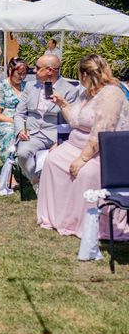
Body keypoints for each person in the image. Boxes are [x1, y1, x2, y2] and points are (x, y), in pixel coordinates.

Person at [37, 54, 129, 239]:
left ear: (86, 75)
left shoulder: (112, 93)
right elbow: (75, 119)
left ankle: (89, 223)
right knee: (52, 160)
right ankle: (58, 218)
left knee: (85, 172)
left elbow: (102, 131)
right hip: (75, 144)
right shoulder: (86, 93)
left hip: (103, 152)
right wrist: (63, 103)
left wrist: (82, 159)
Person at [13, 54, 80, 192]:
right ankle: (36, 181)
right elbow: (19, 113)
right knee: (22, 153)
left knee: (58, 159)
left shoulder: (70, 91)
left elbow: (73, 121)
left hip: (56, 134)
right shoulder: (31, 86)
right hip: (33, 133)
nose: (34, 71)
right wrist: (20, 130)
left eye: (38, 68)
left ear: (50, 70)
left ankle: (51, 189)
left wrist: (61, 141)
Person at [0, 57, 28, 179]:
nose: (21, 77)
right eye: (19, 74)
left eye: (24, 74)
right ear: (10, 70)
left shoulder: (27, 87)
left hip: (24, 121)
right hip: (3, 122)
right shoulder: (1, 87)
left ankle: (31, 170)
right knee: (11, 133)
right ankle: (8, 173)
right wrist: (15, 122)